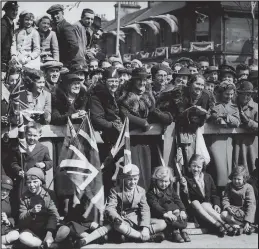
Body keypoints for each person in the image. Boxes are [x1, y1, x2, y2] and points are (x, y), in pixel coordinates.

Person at [105, 164, 167, 242]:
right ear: (124, 178)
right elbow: (110, 207)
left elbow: (145, 210)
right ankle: (146, 238)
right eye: (129, 179)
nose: (133, 182)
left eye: (135, 179)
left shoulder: (141, 191)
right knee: (118, 226)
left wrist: (145, 228)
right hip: (124, 221)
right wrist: (117, 218)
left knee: (162, 223)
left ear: (138, 178)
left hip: (138, 220)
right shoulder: (115, 190)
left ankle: (132, 235)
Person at [180, 154, 231, 237]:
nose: (196, 169)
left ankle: (224, 224)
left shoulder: (208, 177)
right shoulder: (186, 179)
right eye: (194, 166)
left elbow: (214, 193)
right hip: (195, 210)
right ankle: (218, 224)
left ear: (202, 167)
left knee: (205, 204)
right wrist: (184, 188)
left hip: (208, 207)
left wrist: (216, 204)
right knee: (196, 202)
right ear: (190, 166)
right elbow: (185, 199)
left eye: (199, 167)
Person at [18, 167, 69, 248]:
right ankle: (42, 245)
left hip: (49, 228)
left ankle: (51, 242)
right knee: (22, 237)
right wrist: (31, 212)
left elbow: (54, 215)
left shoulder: (50, 194)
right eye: (29, 182)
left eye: (35, 182)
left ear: (41, 182)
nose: (32, 185)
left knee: (65, 230)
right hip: (33, 230)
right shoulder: (24, 197)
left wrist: (49, 233)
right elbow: (21, 219)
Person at [207, 81, 240, 187]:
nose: (229, 97)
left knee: (226, 168)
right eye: (227, 94)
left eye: (231, 94)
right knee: (215, 168)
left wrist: (225, 116)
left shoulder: (234, 106)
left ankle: (224, 192)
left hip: (227, 141)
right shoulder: (214, 104)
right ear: (221, 93)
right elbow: (208, 117)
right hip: (213, 139)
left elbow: (237, 122)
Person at [147, 166, 191, 243]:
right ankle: (175, 232)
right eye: (161, 181)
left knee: (179, 212)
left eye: (166, 181)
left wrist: (183, 210)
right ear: (156, 180)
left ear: (170, 181)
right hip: (161, 214)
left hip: (174, 213)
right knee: (170, 210)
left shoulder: (170, 190)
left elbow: (178, 200)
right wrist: (165, 213)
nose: (163, 184)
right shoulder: (152, 192)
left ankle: (183, 231)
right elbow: (155, 205)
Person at [90, 66, 123, 144]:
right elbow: (97, 118)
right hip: (104, 136)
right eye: (111, 81)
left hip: (117, 136)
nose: (114, 84)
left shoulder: (119, 95)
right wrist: (113, 125)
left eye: (116, 81)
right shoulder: (97, 96)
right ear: (104, 81)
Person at [221, 166, 256, 235]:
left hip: (243, 214)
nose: (236, 181)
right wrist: (227, 207)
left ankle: (245, 225)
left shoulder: (248, 187)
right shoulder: (229, 186)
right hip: (232, 212)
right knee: (223, 214)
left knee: (227, 218)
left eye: (239, 179)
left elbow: (251, 205)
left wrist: (248, 221)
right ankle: (240, 227)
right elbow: (225, 198)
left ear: (244, 179)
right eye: (234, 178)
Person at [233, 81, 258, 174]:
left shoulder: (256, 107)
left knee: (252, 168)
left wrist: (248, 122)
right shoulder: (233, 105)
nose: (245, 97)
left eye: (248, 94)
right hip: (236, 144)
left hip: (251, 145)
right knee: (237, 169)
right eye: (243, 94)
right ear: (238, 94)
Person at [1, 175, 20, 248]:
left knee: (15, 234)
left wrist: (8, 221)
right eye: (2, 189)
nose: (4, 192)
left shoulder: (11, 202)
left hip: (4, 232)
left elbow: (14, 218)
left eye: (7, 190)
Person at [1, 1, 19, 75]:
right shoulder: (3, 24)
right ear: (6, 10)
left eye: (16, 10)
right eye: (12, 10)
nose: (15, 12)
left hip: (6, 60)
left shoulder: (10, 23)